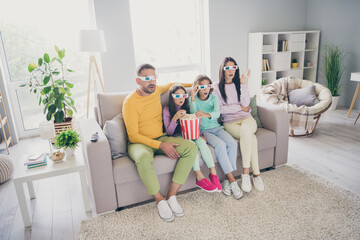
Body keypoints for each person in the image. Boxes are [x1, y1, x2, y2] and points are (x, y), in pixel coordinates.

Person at [122, 64, 198, 222]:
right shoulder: (130, 103)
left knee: (191, 147)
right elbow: (134, 135)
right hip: (139, 143)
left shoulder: (156, 90)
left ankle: (171, 196)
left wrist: (194, 85)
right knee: (143, 157)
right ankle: (159, 200)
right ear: (138, 81)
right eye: (147, 78)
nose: (152, 81)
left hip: (161, 137)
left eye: (154, 77)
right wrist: (160, 146)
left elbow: (172, 85)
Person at [213, 57, 264, 193]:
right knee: (250, 137)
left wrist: (243, 84)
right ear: (222, 70)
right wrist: (239, 107)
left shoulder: (239, 84)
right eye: (227, 68)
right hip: (229, 122)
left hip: (247, 119)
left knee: (247, 132)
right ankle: (256, 174)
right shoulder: (216, 87)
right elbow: (220, 110)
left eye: (233, 67)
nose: (231, 70)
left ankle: (246, 172)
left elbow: (246, 104)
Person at [189, 74, 243, 199]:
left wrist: (206, 114)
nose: (205, 89)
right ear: (197, 87)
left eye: (208, 86)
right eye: (202, 86)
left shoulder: (213, 98)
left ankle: (226, 179)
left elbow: (217, 112)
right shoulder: (194, 99)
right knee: (220, 145)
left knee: (232, 143)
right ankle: (232, 180)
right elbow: (193, 115)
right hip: (205, 131)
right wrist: (192, 97)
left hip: (217, 128)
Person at [163, 84, 221, 193]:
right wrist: (175, 118)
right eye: (177, 96)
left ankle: (214, 175)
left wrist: (200, 134)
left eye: (183, 96)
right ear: (172, 96)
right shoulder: (167, 110)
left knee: (201, 143)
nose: (181, 99)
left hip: (192, 133)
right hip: (177, 136)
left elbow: (195, 122)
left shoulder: (187, 106)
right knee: (192, 145)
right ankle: (199, 176)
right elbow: (169, 132)